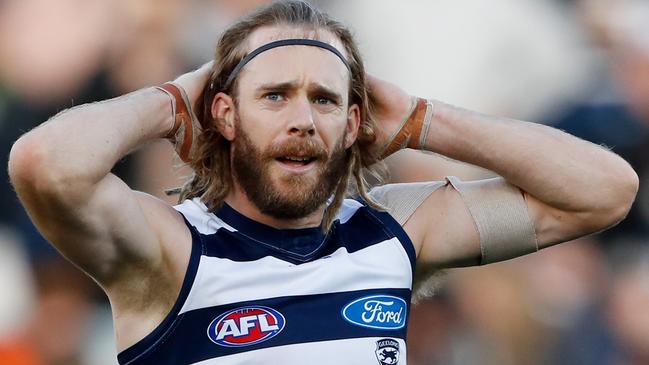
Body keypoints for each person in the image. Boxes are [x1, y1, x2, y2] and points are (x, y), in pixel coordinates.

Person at [7, 1, 638, 364]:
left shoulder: (392, 231)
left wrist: (425, 119)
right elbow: (44, 164)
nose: (304, 120)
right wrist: (173, 102)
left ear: (355, 122)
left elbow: (604, 190)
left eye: (326, 100)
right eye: (275, 96)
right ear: (224, 113)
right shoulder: (170, 248)